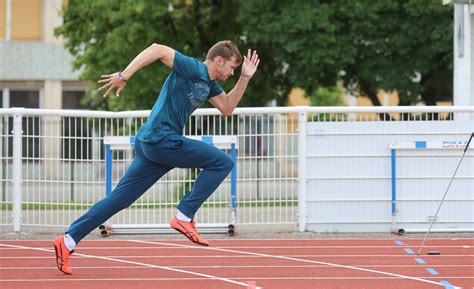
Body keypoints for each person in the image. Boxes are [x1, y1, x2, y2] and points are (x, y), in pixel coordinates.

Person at [53, 40, 260, 275]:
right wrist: (125, 74)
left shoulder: (209, 84)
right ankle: (184, 215)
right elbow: (157, 49)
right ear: (219, 60)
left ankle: (68, 241)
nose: (232, 73)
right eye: (233, 68)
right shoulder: (193, 67)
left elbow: (227, 108)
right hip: (162, 139)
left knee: (120, 199)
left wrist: (245, 77)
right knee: (222, 162)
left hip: (153, 146)